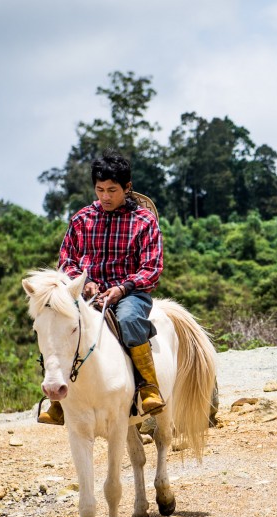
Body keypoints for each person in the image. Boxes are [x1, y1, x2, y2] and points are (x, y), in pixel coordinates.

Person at [38, 150, 167, 424]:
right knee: (56, 323)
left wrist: (122, 288)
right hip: (87, 293)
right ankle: (57, 397)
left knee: (130, 320)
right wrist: (84, 283)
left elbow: (152, 270)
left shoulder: (144, 222)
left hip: (130, 293)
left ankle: (148, 387)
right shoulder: (82, 219)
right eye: (99, 190)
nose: (105, 196)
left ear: (127, 188)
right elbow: (66, 260)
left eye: (112, 190)